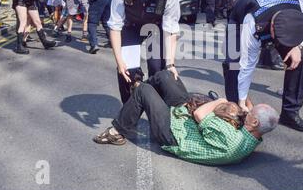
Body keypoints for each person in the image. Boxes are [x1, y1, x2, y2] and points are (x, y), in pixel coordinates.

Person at [93, 70, 279, 166]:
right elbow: (250, 108)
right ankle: (139, 101)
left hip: (173, 135)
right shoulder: (254, 133)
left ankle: (117, 131)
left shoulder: (232, 138)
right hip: (186, 120)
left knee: (144, 90)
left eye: (251, 114)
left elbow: (199, 114)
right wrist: (244, 102)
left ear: (254, 122)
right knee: (166, 76)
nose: (246, 111)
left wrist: (221, 101)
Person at [223, 0, 303, 132]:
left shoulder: (297, 9)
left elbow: (300, 29)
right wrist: (242, 99)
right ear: (272, 28)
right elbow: (247, 64)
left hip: (278, 19)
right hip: (239, 20)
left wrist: (296, 46)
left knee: (301, 59)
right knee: (233, 65)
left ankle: (290, 113)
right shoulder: (252, 21)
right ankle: (236, 110)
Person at [108, 0, 181, 104]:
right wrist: (119, 60)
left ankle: (157, 109)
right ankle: (129, 113)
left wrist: (170, 64)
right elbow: (115, 26)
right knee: (127, 71)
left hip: (156, 28)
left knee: (159, 70)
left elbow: (170, 29)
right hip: (132, 26)